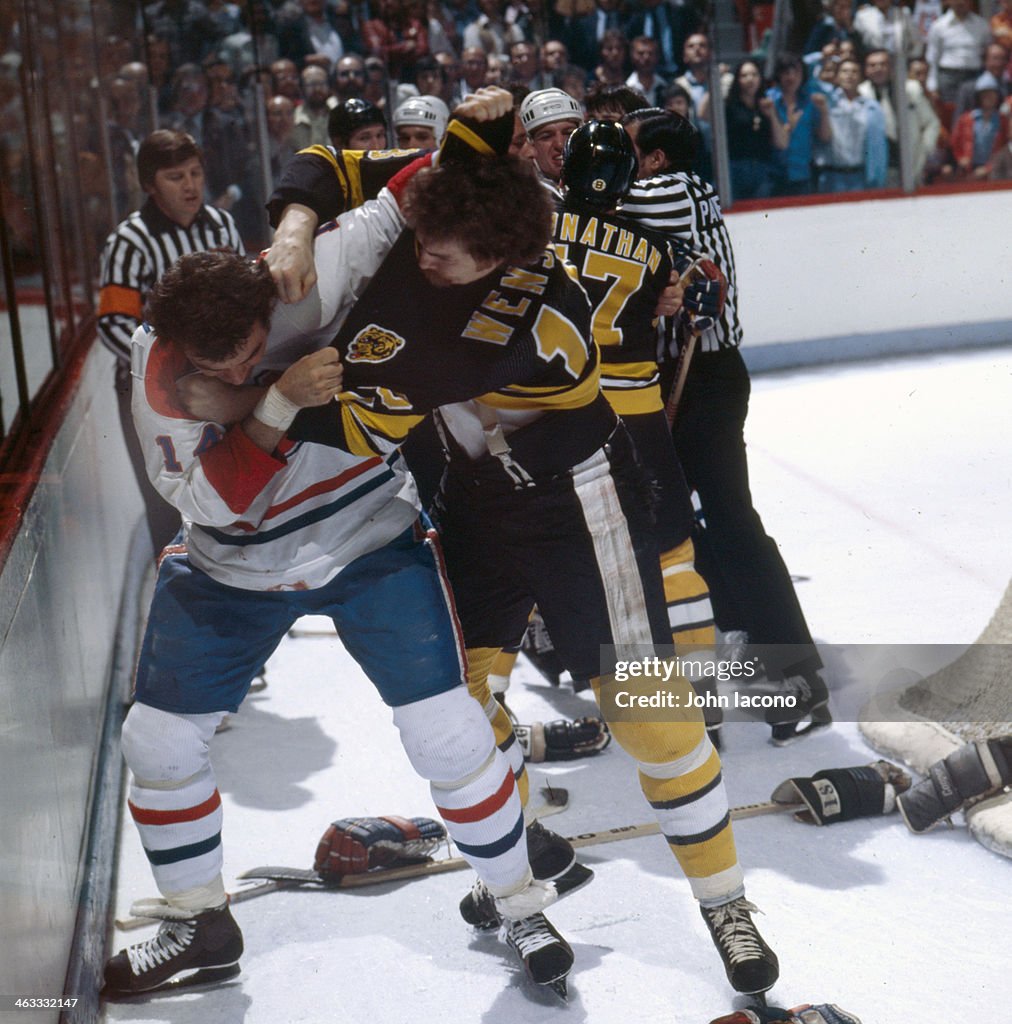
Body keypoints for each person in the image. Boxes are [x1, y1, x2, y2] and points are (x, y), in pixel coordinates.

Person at [190, 91, 782, 999]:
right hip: (475, 502)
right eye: (422, 242)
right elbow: (340, 164)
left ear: (500, 260)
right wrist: (302, 222)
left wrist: (246, 398)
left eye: (443, 255)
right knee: (457, 718)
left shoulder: (517, 327)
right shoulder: (449, 222)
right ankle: (516, 865)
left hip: (581, 506)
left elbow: (350, 417)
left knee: (652, 718)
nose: (423, 257)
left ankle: (726, 903)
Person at [101, 247, 572, 997]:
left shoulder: (315, 270)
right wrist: (275, 399)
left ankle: (516, 903)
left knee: (448, 730)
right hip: (234, 563)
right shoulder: (154, 362)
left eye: (247, 356)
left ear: (270, 307)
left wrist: (297, 214)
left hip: (368, 536)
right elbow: (213, 504)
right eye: (212, 367)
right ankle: (201, 926)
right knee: (155, 740)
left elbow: (401, 191)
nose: (228, 376)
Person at [619, 108, 833, 744]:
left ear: (656, 159)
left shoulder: (677, 191)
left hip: (706, 379)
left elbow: (592, 208)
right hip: (686, 377)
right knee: (691, 526)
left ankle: (796, 675)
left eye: (627, 149)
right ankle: (750, 655)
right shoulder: (672, 193)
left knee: (730, 523)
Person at [97, 129, 244, 556]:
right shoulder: (129, 242)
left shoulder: (222, 224)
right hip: (148, 391)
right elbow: (112, 324)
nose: (191, 185)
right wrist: (166, 373)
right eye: (175, 176)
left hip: (221, 381)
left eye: (196, 173)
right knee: (167, 498)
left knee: (228, 483)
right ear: (149, 184)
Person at [858, 48, 940, 185]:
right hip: (877, 165)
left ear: (891, 67)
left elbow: (932, 123)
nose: (878, 69)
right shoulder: (860, 93)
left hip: (909, 162)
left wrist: (925, 150)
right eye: (872, 65)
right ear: (866, 70)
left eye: (883, 64)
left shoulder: (910, 89)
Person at [816, 56, 888, 191]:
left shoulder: (872, 107)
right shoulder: (827, 102)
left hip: (860, 176)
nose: (849, 75)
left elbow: (879, 148)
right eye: (844, 71)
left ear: (861, 77)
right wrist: (823, 57)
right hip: (831, 175)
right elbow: (810, 75)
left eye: (854, 72)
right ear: (836, 77)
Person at [765, 52, 832, 195]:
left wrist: (824, 111)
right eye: (786, 72)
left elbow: (825, 137)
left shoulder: (810, 101)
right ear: (778, 74)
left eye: (796, 72)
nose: (791, 77)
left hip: (803, 175)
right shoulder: (768, 100)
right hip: (772, 176)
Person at [723, 59, 788, 200]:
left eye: (754, 74)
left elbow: (782, 143)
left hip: (762, 169)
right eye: (744, 75)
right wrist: (716, 80)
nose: (749, 79)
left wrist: (771, 115)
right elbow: (703, 115)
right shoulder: (729, 106)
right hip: (735, 169)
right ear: (737, 79)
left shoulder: (767, 104)